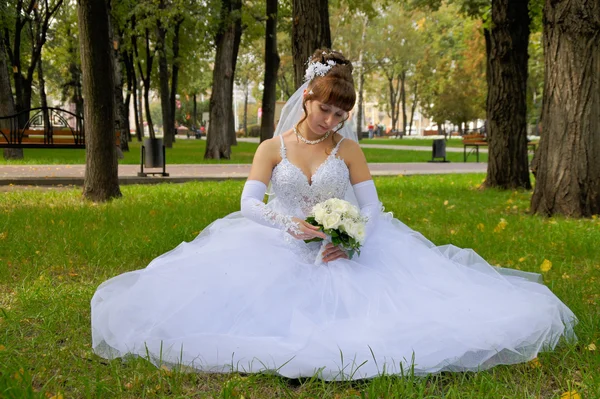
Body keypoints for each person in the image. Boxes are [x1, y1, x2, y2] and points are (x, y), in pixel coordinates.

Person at [91, 49, 576, 381]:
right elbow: (247, 204)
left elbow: (373, 207)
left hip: (338, 247)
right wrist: (290, 226)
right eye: (326, 109)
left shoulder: (349, 150)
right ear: (307, 98)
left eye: (340, 115)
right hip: (276, 243)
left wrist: (346, 239)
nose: (331, 121)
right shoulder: (270, 147)